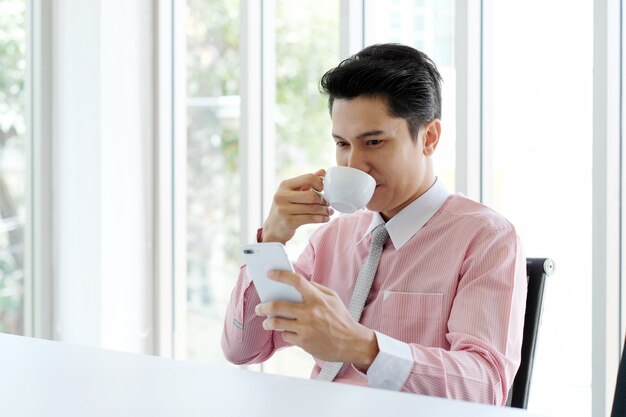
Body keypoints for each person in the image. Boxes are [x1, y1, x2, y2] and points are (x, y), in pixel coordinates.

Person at [221, 43, 526, 406]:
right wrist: (271, 241)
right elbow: (244, 349)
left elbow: (485, 387)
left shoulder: (485, 238)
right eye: (342, 144)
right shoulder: (332, 238)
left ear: (429, 137)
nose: (354, 164)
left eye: (374, 142)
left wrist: (362, 346)